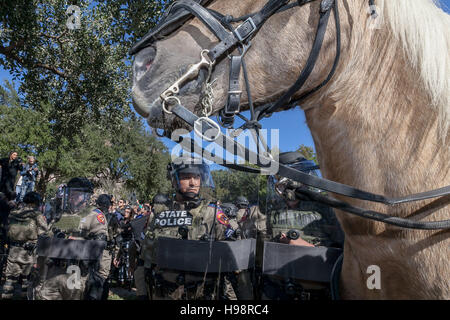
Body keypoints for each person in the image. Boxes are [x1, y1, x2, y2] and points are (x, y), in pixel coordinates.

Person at [141, 156, 239, 300]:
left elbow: (232, 260)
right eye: (186, 177)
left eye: (197, 177)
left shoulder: (212, 214)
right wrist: (142, 293)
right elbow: (145, 260)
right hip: (165, 292)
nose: (193, 183)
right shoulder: (160, 213)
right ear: (174, 180)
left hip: (203, 293)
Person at [262, 151, 344, 300]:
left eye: (304, 178)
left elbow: (343, 254)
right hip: (278, 287)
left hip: (318, 287)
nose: (302, 184)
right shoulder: (270, 211)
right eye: (296, 178)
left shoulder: (325, 208)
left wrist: (306, 247)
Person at [33, 177, 111, 300]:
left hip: (76, 273)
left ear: (86, 197)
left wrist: (100, 278)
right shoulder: (60, 215)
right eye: (71, 193)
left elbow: (100, 247)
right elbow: (47, 242)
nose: (72, 197)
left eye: (77, 194)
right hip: (53, 272)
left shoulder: (95, 215)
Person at [1, 192, 48, 299]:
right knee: (26, 280)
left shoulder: (14, 213)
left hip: (13, 251)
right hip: (29, 253)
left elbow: (7, 229)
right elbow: (45, 234)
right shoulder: (37, 215)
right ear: (36, 203)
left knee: (10, 280)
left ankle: (5, 297)